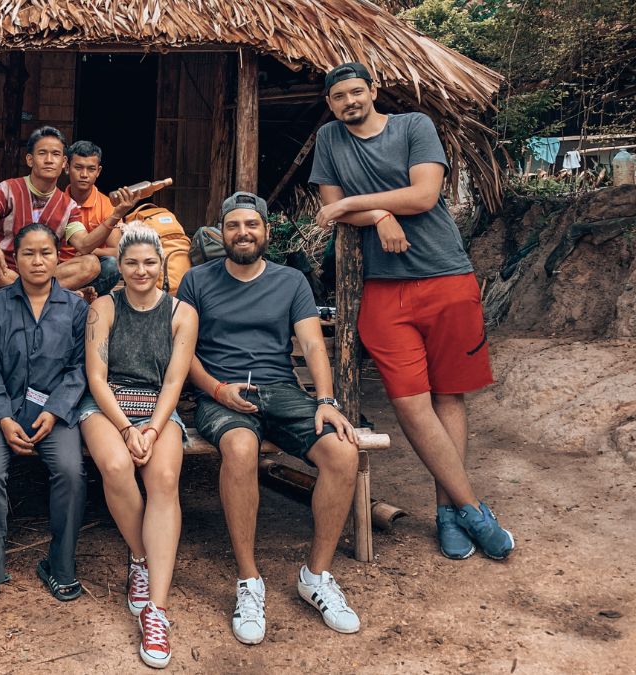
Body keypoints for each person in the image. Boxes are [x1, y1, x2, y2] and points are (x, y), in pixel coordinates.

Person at [309, 62, 513, 561]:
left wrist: (354, 205)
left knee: (449, 394)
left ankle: (448, 512)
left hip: (445, 274)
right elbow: (329, 207)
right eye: (339, 97)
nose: (349, 102)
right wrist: (378, 213)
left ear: (374, 89)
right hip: (382, 288)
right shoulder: (329, 140)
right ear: (331, 104)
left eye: (357, 91)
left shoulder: (413, 126)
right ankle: (473, 508)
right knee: (408, 400)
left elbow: (424, 195)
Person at [179, 191, 363, 644]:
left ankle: (315, 576)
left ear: (265, 231)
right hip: (221, 393)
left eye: (252, 225)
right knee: (239, 449)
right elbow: (182, 352)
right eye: (234, 225)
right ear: (221, 233)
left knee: (342, 452)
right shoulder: (196, 282)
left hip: (280, 390)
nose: (243, 233)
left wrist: (326, 399)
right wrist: (218, 389)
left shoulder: (290, 282)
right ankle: (249, 580)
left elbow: (315, 344)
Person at [80, 225, 198, 668]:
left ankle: (156, 610)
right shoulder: (103, 308)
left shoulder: (181, 313)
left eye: (149, 262)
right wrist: (128, 427)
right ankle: (142, 558)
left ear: (161, 265)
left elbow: (174, 380)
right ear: (121, 267)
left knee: (165, 477)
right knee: (114, 465)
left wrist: (151, 427)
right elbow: (96, 376)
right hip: (108, 404)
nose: (141, 270)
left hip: (158, 407)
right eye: (132, 262)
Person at [0, 223, 89, 608]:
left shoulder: (75, 308)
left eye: (46, 253)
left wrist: (55, 412)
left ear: (58, 257)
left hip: (53, 413)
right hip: (0, 409)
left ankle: (60, 564)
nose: (38, 261)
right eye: (28, 254)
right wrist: (2, 417)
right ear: (14, 259)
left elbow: (80, 368)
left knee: (70, 472)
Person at [0, 126, 108, 293]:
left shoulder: (68, 206)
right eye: (42, 153)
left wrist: (117, 215)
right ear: (30, 160)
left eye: (55, 154)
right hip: (5, 270)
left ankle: (24, 292)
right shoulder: (7, 189)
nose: (49, 160)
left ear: (63, 163)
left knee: (91, 264)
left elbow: (84, 245)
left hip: (43, 273)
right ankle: (46, 293)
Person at [62, 140, 138, 295]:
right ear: (67, 168)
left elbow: (117, 251)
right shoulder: (57, 202)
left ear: (98, 171)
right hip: (62, 270)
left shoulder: (107, 205)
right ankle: (74, 296)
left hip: (91, 270)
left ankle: (74, 295)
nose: (84, 175)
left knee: (111, 266)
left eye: (91, 169)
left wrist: (92, 251)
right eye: (78, 167)